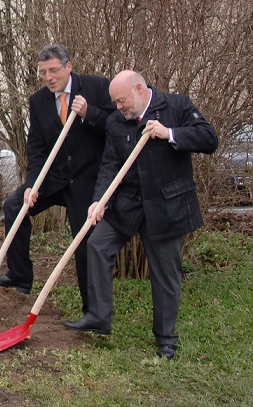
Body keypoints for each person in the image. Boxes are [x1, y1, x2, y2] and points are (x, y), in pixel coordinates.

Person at [62, 70, 218, 359]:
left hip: (166, 204)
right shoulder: (115, 121)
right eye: (115, 102)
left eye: (122, 101)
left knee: (165, 273)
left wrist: (169, 133)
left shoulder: (176, 106)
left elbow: (209, 138)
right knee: (97, 245)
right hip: (129, 203)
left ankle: (166, 339)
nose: (118, 107)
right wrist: (99, 201)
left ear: (139, 90)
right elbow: (110, 164)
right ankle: (99, 315)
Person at [0, 44, 115, 311]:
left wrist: (90, 114)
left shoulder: (95, 88)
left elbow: (118, 126)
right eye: (42, 72)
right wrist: (32, 185)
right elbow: (37, 147)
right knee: (15, 206)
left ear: (68, 67)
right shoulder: (38, 101)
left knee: (84, 241)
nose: (48, 78)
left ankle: (92, 311)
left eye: (53, 71)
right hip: (55, 178)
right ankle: (20, 276)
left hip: (87, 180)